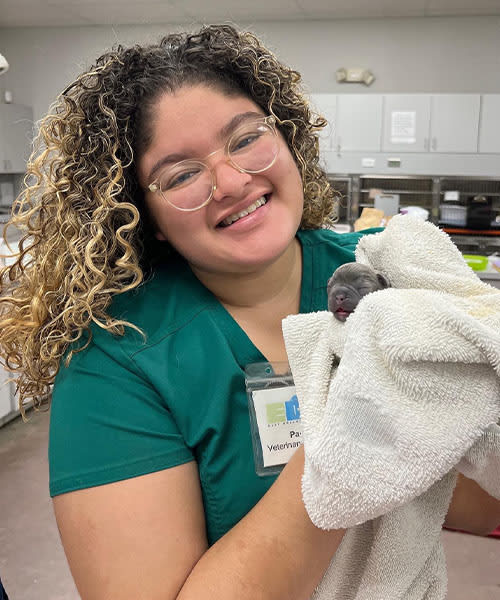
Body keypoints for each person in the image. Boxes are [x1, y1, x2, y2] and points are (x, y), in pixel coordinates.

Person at [0, 24, 498, 600]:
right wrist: (348, 438)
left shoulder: (389, 276)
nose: (233, 181)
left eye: (246, 138)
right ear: (141, 215)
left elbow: (470, 503)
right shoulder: (117, 356)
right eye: (181, 174)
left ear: (286, 138)